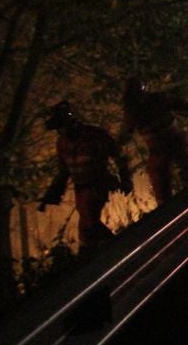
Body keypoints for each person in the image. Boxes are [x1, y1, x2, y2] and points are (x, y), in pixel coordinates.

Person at [39, 101, 132, 248]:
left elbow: (118, 155)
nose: (61, 131)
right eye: (58, 129)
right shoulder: (62, 143)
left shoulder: (94, 135)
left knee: (90, 222)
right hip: (80, 188)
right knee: (85, 229)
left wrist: (126, 179)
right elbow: (63, 172)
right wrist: (52, 194)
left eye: (62, 127)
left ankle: (120, 250)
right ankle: (95, 254)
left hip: (97, 184)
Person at [117, 77, 188, 206]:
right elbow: (185, 107)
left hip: (164, 145)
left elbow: (126, 133)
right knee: (175, 174)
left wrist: (118, 146)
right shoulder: (153, 101)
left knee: (175, 175)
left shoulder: (140, 106)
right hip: (167, 144)